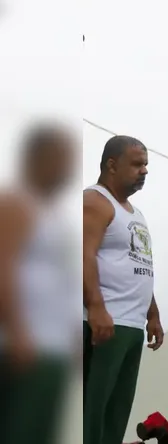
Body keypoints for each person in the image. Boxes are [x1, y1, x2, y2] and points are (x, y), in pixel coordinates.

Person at [83, 135, 164, 444]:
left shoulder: (134, 212)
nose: (144, 170)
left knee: (116, 413)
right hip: (105, 322)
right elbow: (82, 254)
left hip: (131, 326)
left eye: (145, 165)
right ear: (111, 165)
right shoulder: (94, 201)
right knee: (92, 411)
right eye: (137, 164)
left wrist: (153, 313)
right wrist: (96, 307)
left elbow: (139, 264)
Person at [0, 124, 78, 444]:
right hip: (22, 346)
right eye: (59, 158)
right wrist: (17, 331)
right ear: (36, 158)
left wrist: (73, 336)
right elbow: (4, 266)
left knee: (41, 433)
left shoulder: (54, 214)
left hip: (52, 348)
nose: (65, 168)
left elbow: (63, 282)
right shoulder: (15, 204)